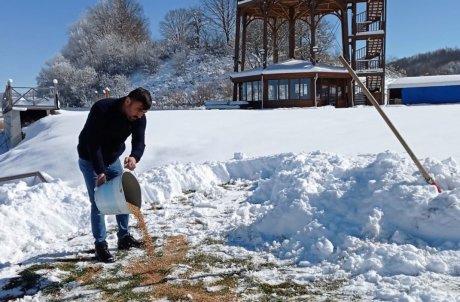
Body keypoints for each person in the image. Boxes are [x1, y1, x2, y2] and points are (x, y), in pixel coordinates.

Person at [78, 87, 152, 263]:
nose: (141, 115)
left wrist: (135, 157)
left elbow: (139, 141)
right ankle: (100, 245)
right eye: (139, 109)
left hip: (113, 160)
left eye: (144, 111)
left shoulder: (139, 117)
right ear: (128, 101)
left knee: (124, 198)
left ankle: (124, 237)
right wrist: (100, 171)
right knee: (98, 202)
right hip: (90, 160)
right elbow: (92, 143)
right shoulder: (102, 109)